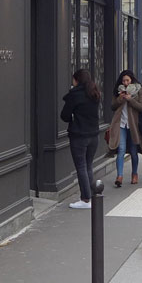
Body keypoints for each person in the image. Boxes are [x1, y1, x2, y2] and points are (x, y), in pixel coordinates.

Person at [60, 69, 101, 209]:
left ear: (77, 80)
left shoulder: (75, 95)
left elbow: (64, 115)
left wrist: (73, 117)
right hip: (94, 135)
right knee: (88, 165)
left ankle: (85, 199)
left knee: (81, 167)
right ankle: (91, 195)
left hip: (79, 136)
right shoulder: (94, 93)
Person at [105, 69, 142, 187]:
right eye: (123, 81)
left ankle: (134, 174)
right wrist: (120, 99)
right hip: (120, 124)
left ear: (131, 80)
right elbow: (112, 106)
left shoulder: (139, 90)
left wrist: (130, 99)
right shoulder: (118, 91)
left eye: (127, 80)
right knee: (121, 149)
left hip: (133, 125)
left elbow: (141, 107)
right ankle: (120, 176)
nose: (125, 83)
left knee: (133, 151)